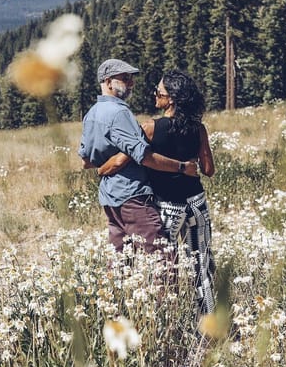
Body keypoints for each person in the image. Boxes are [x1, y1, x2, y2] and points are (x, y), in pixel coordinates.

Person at [99, 70, 217, 314]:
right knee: (202, 263)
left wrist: (102, 167)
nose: (155, 95)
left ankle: (165, 320)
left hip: (168, 207)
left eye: (158, 92)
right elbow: (208, 169)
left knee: (163, 266)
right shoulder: (199, 128)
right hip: (196, 202)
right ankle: (209, 321)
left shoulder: (151, 127)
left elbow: (123, 159)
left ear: (171, 99)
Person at [78, 59, 199, 255]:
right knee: (161, 255)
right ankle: (168, 288)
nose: (131, 83)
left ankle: (118, 287)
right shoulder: (120, 113)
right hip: (133, 195)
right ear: (108, 82)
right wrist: (182, 167)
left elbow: (85, 161)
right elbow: (145, 156)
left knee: (121, 260)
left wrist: (110, 163)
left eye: (131, 78)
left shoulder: (91, 114)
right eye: (125, 78)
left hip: (109, 198)